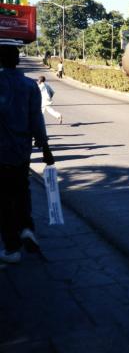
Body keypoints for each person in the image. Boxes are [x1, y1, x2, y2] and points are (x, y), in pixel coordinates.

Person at [0, 44, 54, 264]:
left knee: (3, 200)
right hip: (22, 151)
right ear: (18, 60)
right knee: (21, 190)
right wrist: (46, 148)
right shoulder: (29, 86)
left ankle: (12, 249)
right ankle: (27, 229)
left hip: (1, 152)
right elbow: (36, 120)